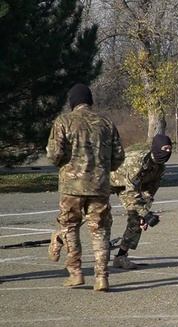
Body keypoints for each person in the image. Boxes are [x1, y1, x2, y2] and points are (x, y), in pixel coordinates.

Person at [47, 83, 125, 292]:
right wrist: (102, 167)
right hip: (99, 186)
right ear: (90, 100)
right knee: (100, 230)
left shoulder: (63, 122)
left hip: (71, 186)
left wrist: (68, 163)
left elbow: (54, 155)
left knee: (70, 226)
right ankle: (102, 277)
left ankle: (76, 273)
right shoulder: (106, 123)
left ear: (72, 101)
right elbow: (118, 157)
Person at [109, 134, 172, 270]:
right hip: (108, 180)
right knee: (90, 213)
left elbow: (149, 192)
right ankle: (62, 235)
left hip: (127, 187)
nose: (167, 152)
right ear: (156, 148)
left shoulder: (159, 168)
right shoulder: (137, 162)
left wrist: (145, 213)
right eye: (165, 148)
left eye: (169, 149)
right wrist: (145, 213)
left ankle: (121, 257)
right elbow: (131, 193)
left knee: (136, 219)